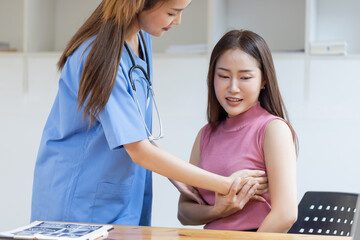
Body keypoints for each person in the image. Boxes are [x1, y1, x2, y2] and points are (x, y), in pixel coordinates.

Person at [31, 1, 268, 226]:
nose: (177, 21)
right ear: (140, 4)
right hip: (78, 199)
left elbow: (131, 129)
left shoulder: (142, 40)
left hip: (121, 193)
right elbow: (139, 149)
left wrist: (181, 177)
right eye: (172, 12)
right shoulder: (98, 55)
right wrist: (227, 184)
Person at [177, 29, 298, 232]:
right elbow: (184, 212)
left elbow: (285, 214)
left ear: (264, 80)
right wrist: (218, 210)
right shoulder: (205, 135)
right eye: (223, 76)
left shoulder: (273, 129)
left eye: (245, 78)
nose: (233, 88)